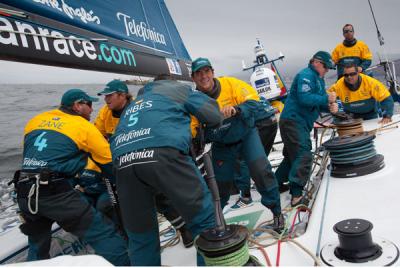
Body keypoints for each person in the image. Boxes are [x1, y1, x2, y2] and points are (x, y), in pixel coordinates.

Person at [110, 76, 222, 266]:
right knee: (203, 221)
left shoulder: (134, 103)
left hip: (123, 162)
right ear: (172, 82)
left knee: (141, 237)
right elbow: (213, 115)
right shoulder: (178, 90)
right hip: (164, 153)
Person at [15, 89, 129, 265]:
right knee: (106, 236)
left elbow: (39, 157)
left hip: (24, 192)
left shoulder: (36, 120)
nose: (92, 110)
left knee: (37, 245)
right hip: (56, 195)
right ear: (77, 105)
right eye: (89, 105)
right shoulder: (83, 126)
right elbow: (110, 164)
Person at [95, 78, 194, 248]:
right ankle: (134, 242)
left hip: (147, 158)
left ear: (123, 95)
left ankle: (184, 228)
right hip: (120, 165)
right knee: (123, 205)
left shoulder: (140, 107)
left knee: (162, 199)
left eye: (109, 96)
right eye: (105, 96)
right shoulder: (105, 113)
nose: (106, 99)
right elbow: (96, 134)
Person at [190, 57, 284, 231]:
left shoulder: (231, 84)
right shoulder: (193, 101)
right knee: (219, 186)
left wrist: (237, 109)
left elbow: (255, 102)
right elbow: (192, 129)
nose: (204, 76)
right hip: (222, 145)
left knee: (261, 171)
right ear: (193, 78)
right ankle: (216, 224)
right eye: (199, 73)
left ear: (212, 72)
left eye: (207, 71)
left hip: (246, 136)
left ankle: (277, 213)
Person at [275, 51, 338, 207]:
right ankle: (296, 196)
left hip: (298, 122)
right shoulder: (306, 75)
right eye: (326, 67)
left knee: (292, 157)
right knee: (303, 154)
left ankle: (274, 185)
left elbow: (319, 103)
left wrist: (331, 107)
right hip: (293, 121)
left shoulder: (318, 79)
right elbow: (305, 98)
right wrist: (326, 98)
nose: (326, 71)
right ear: (317, 62)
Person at [231, 96, 278, 209]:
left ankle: (245, 197)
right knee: (260, 159)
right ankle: (261, 184)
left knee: (242, 159)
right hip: (272, 120)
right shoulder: (250, 94)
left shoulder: (230, 99)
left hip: (259, 123)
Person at [328, 63, 394, 123]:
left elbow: (386, 98)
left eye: (352, 74)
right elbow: (325, 98)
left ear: (358, 73)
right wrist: (332, 105)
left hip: (370, 114)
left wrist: (387, 116)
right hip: (350, 117)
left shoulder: (370, 82)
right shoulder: (338, 85)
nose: (349, 77)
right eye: (346, 75)